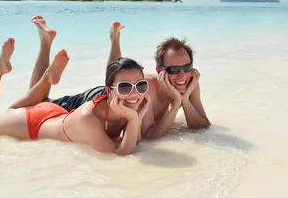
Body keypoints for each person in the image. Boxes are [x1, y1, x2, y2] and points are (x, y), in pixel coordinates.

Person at [27, 15, 210, 139]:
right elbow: (149, 136)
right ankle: (45, 42)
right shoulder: (145, 86)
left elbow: (202, 125)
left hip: (117, 91)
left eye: (187, 67)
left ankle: (114, 38)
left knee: (115, 77)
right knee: (36, 104)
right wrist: (175, 105)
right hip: (97, 98)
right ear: (159, 69)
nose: (181, 75)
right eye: (173, 70)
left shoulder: (189, 81)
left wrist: (184, 100)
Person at [0, 37, 151, 156]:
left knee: (12, 109)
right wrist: (135, 119)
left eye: (141, 85)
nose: (135, 93)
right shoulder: (89, 116)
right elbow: (119, 155)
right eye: (125, 87)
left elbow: (135, 142)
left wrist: (137, 117)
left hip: (56, 112)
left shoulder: (127, 106)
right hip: (33, 123)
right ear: (108, 90)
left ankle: (47, 77)